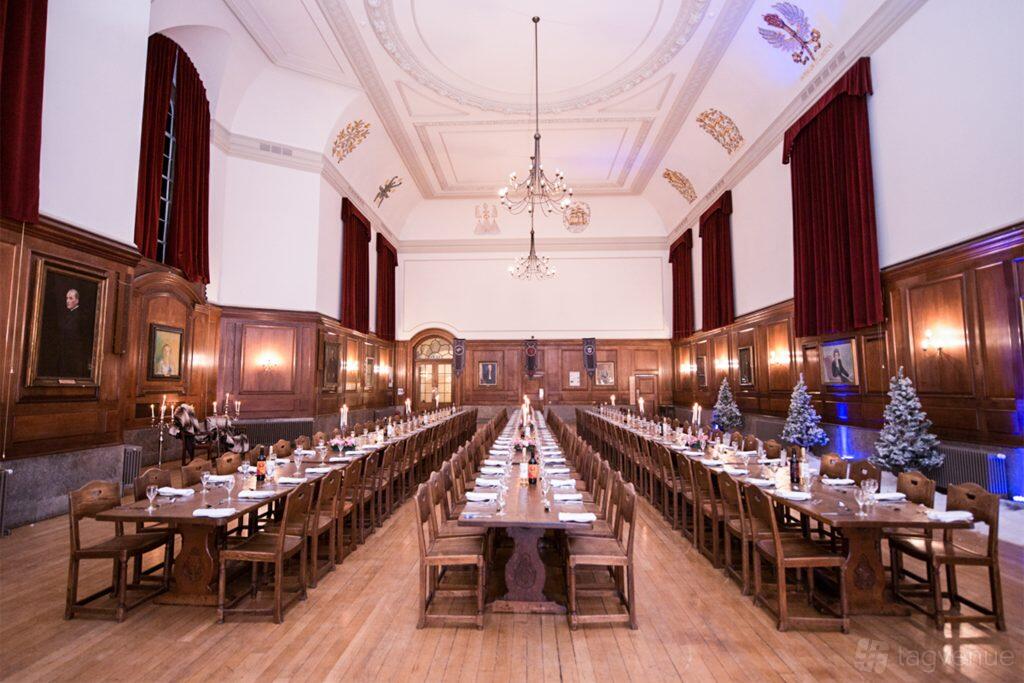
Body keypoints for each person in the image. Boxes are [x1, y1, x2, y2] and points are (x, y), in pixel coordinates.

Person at [54, 288, 91, 377]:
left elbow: (84, 337)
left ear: (77, 300)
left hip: (76, 356)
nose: (67, 301)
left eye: (70, 298)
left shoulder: (81, 316)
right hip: (67, 355)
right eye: (67, 298)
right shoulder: (69, 314)